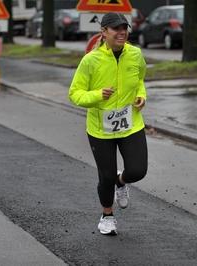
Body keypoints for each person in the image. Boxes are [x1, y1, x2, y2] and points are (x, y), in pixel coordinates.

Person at [68, 12, 148, 235]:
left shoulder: (135, 54)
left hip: (131, 124)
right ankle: (107, 216)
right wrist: (97, 96)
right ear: (103, 32)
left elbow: (140, 79)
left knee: (138, 170)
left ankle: (121, 183)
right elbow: (74, 94)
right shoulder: (91, 60)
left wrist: (141, 95)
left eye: (125, 28)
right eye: (116, 29)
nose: (122, 32)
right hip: (100, 129)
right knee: (106, 176)